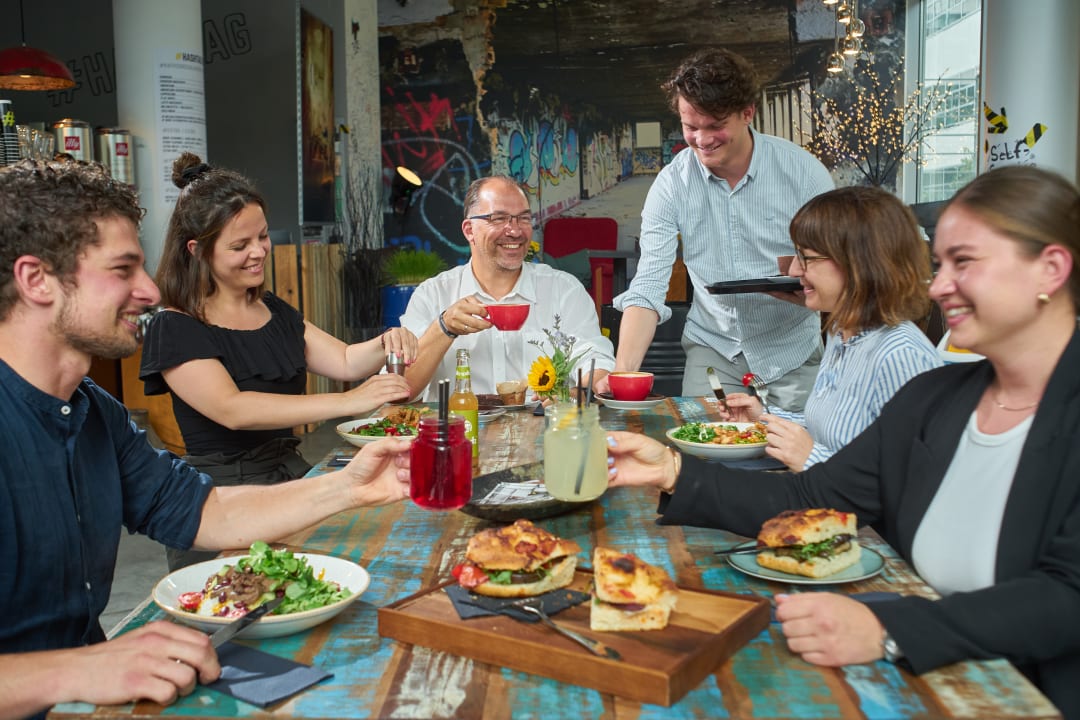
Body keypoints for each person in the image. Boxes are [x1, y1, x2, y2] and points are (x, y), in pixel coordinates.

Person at [604, 165, 1080, 718]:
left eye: (965, 262)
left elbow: (1064, 596)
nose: (938, 286)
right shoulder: (937, 398)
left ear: (1051, 268)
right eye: (941, 264)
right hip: (925, 679)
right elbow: (814, 498)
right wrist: (672, 470)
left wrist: (890, 627)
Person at [0, 159, 413, 720]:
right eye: (122, 270)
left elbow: (205, 510)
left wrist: (350, 487)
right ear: (36, 280)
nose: (149, 290)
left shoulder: (98, 415)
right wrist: (73, 670)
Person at [140, 153, 417, 570]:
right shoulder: (176, 326)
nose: (258, 252)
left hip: (291, 479)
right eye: (240, 246)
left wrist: (387, 340)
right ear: (197, 251)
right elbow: (233, 409)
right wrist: (347, 401)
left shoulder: (272, 309)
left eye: (263, 237)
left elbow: (344, 359)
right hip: (221, 501)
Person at [605, 47, 834, 410]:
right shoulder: (672, 184)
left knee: (796, 444)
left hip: (790, 351)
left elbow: (839, 267)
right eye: (691, 127)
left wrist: (810, 284)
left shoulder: (804, 174)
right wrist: (623, 374)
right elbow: (648, 286)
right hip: (713, 351)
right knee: (702, 441)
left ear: (747, 113)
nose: (702, 139)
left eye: (715, 126)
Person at [720, 186, 941, 470]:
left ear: (858, 263)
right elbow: (834, 431)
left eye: (807, 257)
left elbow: (909, 478)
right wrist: (764, 418)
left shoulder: (901, 355)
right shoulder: (842, 331)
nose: (794, 271)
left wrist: (811, 458)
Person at [400, 175, 615, 400]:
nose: (515, 231)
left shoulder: (564, 290)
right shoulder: (433, 295)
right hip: (460, 422)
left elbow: (593, 357)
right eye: (499, 218)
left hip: (544, 421)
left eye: (523, 218)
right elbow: (403, 391)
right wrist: (443, 328)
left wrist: (584, 390)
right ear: (469, 230)